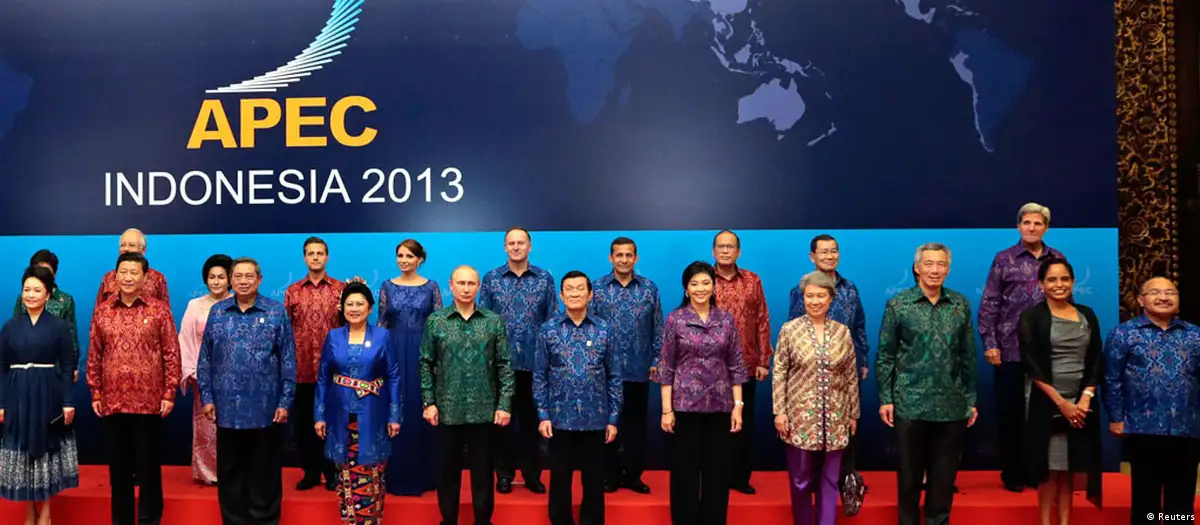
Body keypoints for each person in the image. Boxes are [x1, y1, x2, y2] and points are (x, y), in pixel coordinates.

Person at [876, 243, 978, 525]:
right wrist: (886, 398)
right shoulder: (899, 304)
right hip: (910, 402)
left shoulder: (960, 304)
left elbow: (968, 355)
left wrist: (971, 399)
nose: (935, 270)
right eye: (929, 264)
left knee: (943, 480)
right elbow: (885, 355)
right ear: (917, 268)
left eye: (941, 264)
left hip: (952, 404)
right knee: (909, 479)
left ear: (948, 269)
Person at [198, 257, 297, 525]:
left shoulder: (275, 312)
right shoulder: (218, 312)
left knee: (264, 472)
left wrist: (285, 402)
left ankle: (265, 520)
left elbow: (288, 360)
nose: (243, 281)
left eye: (249, 276)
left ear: (259, 279)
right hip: (227, 407)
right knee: (230, 472)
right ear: (231, 280)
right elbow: (205, 359)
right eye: (238, 276)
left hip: (265, 408)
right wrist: (207, 397)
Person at [87, 252, 181, 525]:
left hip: (149, 402)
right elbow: (95, 353)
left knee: (149, 468)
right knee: (119, 471)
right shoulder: (103, 310)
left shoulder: (159, 310)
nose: (128, 277)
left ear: (144, 277)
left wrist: (169, 392)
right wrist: (95, 390)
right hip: (113, 400)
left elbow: (171, 353)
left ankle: (150, 520)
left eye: (133, 272)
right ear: (115, 276)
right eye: (123, 272)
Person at [978, 202, 1065, 492]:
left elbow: (1066, 302)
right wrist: (991, 343)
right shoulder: (1004, 259)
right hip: (1010, 348)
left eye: (1038, 223)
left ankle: (1039, 472)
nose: (1032, 228)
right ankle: (1013, 473)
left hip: (1048, 350)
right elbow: (989, 303)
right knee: (1010, 414)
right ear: (1018, 227)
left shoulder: (1057, 259)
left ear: (1046, 228)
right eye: (1026, 223)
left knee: (1043, 414)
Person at [655, 261, 747, 525]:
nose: (700, 288)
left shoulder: (725, 320)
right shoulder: (676, 319)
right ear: (686, 289)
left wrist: (738, 405)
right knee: (684, 473)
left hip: (720, 406)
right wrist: (666, 410)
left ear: (714, 286)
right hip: (685, 407)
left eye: (706, 282)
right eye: (694, 284)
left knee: (717, 472)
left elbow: (736, 364)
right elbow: (666, 366)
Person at [421, 265, 514, 525]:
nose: (466, 288)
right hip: (447, 409)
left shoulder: (493, 321)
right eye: (461, 283)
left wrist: (504, 404)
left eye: (471, 283)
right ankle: (448, 520)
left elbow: (505, 364)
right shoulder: (436, 321)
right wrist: (428, 402)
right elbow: (425, 363)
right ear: (451, 286)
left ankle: (483, 521)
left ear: (478, 287)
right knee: (447, 472)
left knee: (482, 472)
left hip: (484, 410)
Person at [1104, 276, 1200, 524]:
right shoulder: (1124, 334)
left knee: (1181, 500)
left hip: (1186, 427)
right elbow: (1112, 378)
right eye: (1155, 292)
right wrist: (1116, 417)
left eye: (1170, 292)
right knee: (1146, 499)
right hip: (1141, 426)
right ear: (1140, 300)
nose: (1164, 297)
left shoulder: (1194, 334)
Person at [1017, 258, 1102, 525]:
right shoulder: (1032, 317)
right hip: (1046, 402)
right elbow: (1031, 364)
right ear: (1041, 284)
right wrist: (1062, 404)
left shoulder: (1087, 314)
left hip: (1081, 404)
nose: (1059, 284)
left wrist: (1085, 397)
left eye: (1064, 279)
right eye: (1052, 279)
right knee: (1049, 469)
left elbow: (1096, 359)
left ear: (1073, 282)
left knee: (1068, 467)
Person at [534, 270, 622, 525]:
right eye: (569, 289)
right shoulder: (548, 330)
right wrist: (543, 414)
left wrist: (613, 418)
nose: (575, 293)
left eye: (580, 288)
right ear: (561, 296)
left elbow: (615, 376)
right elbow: (539, 376)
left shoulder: (604, 329)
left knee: (593, 480)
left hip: (596, 417)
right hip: (559, 418)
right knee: (560, 478)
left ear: (590, 294)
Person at [773, 271, 860, 525]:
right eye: (810, 296)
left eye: (821, 296)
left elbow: (850, 374)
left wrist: (853, 413)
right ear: (803, 298)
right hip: (799, 416)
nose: (815, 301)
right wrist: (780, 411)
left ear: (830, 298)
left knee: (831, 478)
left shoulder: (842, 332)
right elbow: (779, 373)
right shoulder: (790, 330)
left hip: (836, 414)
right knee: (800, 478)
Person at [479, 227, 558, 494]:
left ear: (529, 246)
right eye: (511, 243)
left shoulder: (544, 279)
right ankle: (503, 474)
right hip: (501, 364)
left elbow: (552, 321)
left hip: (536, 364)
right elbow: (484, 322)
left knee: (532, 423)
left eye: (520, 243)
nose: (516, 247)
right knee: (502, 423)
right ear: (505, 247)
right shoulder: (492, 278)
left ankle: (532, 474)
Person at [314, 283, 401, 524]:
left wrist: (395, 415)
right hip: (340, 414)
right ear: (342, 308)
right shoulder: (333, 337)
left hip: (373, 414)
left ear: (370, 308)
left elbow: (393, 376)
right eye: (349, 304)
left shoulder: (383, 336)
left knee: (372, 471)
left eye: (359, 304)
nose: (354, 309)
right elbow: (323, 378)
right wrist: (319, 415)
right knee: (344, 473)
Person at [0, 265, 79, 525]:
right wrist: (2, 402)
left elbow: (67, 365)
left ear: (48, 294)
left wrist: (68, 401)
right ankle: (29, 512)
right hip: (17, 394)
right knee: (23, 454)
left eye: (37, 290)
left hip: (48, 393)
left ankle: (46, 511)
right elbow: (1, 367)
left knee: (45, 452)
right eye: (26, 290)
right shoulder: (10, 326)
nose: (31, 295)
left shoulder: (58, 326)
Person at [786, 234, 869, 479]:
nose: (829, 256)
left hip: (843, 369)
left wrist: (862, 359)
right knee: (811, 429)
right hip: (809, 373)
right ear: (812, 257)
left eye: (834, 251)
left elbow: (859, 325)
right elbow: (793, 331)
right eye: (824, 252)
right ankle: (814, 480)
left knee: (846, 425)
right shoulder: (801, 289)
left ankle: (846, 478)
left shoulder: (850, 288)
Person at [590, 236, 662, 494]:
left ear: (636, 258)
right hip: (605, 371)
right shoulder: (597, 288)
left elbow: (658, 327)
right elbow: (589, 327)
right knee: (608, 425)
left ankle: (633, 476)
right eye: (619, 255)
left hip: (638, 368)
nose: (623, 259)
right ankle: (609, 475)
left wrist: (656, 359)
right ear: (611, 258)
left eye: (628, 255)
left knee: (635, 427)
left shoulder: (649, 288)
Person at [378, 239, 443, 496]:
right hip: (394, 352)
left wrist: (436, 358)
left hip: (422, 352)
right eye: (400, 256)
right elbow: (382, 324)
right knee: (396, 406)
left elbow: (437, 325)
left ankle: (425, 475)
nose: (404, 260)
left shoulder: (431, 287)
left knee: (419, 407)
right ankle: (395, 474)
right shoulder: (387, 286)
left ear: (420, 260)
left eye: (409, 256)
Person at [284, 236, 347, 492]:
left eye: (320, 253)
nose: (316, 257)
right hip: (302, 370)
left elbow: (350, 326)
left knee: (334, 423)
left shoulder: (341, 289)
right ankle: (310, 472)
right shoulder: (293, 291)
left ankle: (332, 472)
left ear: (327, 256)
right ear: (304, 258)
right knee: (303, 425)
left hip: (333, 369)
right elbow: (285, 331)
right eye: (311, 253)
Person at [711, 230, 771, 495]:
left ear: (738, 251)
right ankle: (715, 477)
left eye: (730, 246)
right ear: (714, 251)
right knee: (714, 425)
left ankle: (740, 477)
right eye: (721, 246)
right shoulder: (703, 279)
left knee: (743, 422)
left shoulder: (752, 280)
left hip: (746, 365)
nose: (725, 251)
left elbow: (762, 319)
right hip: (710, 367)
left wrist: (764, 360)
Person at [178, 254, 232, 485]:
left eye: (221, 277)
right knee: (206, 427)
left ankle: (232, 472)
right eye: (212, 277)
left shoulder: (238, 304)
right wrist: (192, 371)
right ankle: (207, 473)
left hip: (234, 376)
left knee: (232, 427)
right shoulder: (195, 306)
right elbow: (185, 339)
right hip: (204, 375)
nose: (216, 281)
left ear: (230, 279)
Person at [13, 250, 79, 383]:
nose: (41, 274)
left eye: (45, 270)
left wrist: (73, 367)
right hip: (26, 367)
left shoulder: (65, 300)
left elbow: (71, 339)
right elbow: (15, 334)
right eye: (37, 269)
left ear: (54, 273)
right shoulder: (24, 299)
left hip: (56, 368)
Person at [95, 228, 170, 306]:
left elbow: (165, 310)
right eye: (123, 245)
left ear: (143, 250)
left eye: (132, 245)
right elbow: (98, 309)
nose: (126, 249)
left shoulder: (158, 278)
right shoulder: (108, 278)